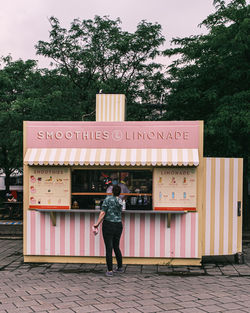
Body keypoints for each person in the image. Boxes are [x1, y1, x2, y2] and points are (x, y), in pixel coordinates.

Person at [93, 185, 124, 277]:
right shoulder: (120, 201)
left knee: (109, 247)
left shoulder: (107, 199)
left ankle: (110, 270)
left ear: (112, 191)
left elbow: (103, 212)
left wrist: (97, 224)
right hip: (118, 225)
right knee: (116, 246)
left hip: (108, 224)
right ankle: (120, 267)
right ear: (120, 192)